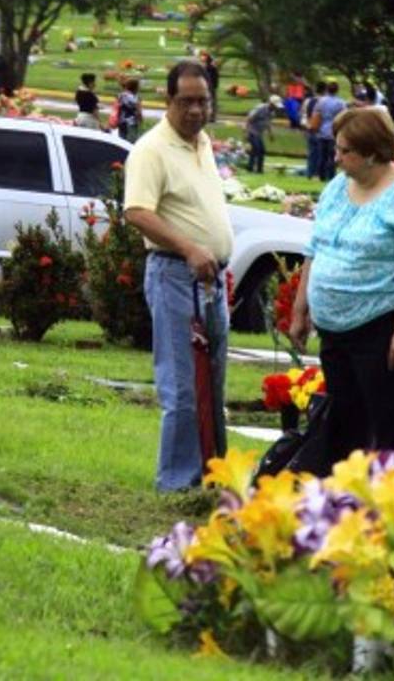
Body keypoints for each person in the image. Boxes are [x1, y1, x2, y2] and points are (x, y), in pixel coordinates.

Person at [287, 109, 394, 497]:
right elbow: (315, 248)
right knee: (344, 423)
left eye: (345, 151)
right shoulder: (338, 187)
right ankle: (345, 508)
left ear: (372, 154)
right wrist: (301, 307)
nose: (336, 157)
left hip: (388, 325)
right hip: (338, 331)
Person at [125, 60, 232, 492]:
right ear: (167, 100)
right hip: (174, 275)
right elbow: (136, 211)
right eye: (185, 101)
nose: (195, 110)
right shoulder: (151, 150)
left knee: (213, 385)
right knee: (184, 388)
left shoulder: (202, 143)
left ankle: (213, 477)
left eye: (202, 101)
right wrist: (189, 248)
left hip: (211, 280)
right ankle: (175, 484)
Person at [314, 81, 346, 181]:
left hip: (322, 130)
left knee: (321, 156)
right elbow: (344, 116)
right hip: (334, 131)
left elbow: (316, 115)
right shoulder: (340, 102)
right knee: (332, 156)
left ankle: (320, 175)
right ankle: (331, 175)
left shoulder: (321, 101)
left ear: (327, 89)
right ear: (337, 90)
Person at [244, 95, 279, 173]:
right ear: (271, 103)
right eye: (275, 106)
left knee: (259, 150)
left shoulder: (272, 113)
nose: (276, 108)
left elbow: (268, 123)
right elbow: (249, 119)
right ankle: (253, 168)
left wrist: (271, 134)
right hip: (252, 131)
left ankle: (256, 169)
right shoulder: (260, 108)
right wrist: (246, 132)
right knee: (257, 149)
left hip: (259, 133)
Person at [304, 82, 325, 178]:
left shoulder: (309, 101)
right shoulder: (323, 102)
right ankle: (317, 173)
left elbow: (305, 114)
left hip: (310, 128)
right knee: (320, 154)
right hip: (320, 130)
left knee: (311, 153)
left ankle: (309, 173)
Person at [117, 78, 141, 142]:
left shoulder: (121, 95)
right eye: (138, 86)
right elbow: (138, 110)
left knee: (121, 140)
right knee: (131, 141)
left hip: (121, 121)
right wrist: (140, 118)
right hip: (131, 122)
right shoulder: (134, 97)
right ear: (135, 87)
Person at [201, 51, 219, 122]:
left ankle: (211, 117)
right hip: (210, 86)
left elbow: (212, 78)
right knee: (210, 102)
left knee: (210, 102)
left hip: (210, 86)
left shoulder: (209, 68)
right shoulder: (209, 67)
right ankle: (210, 116)